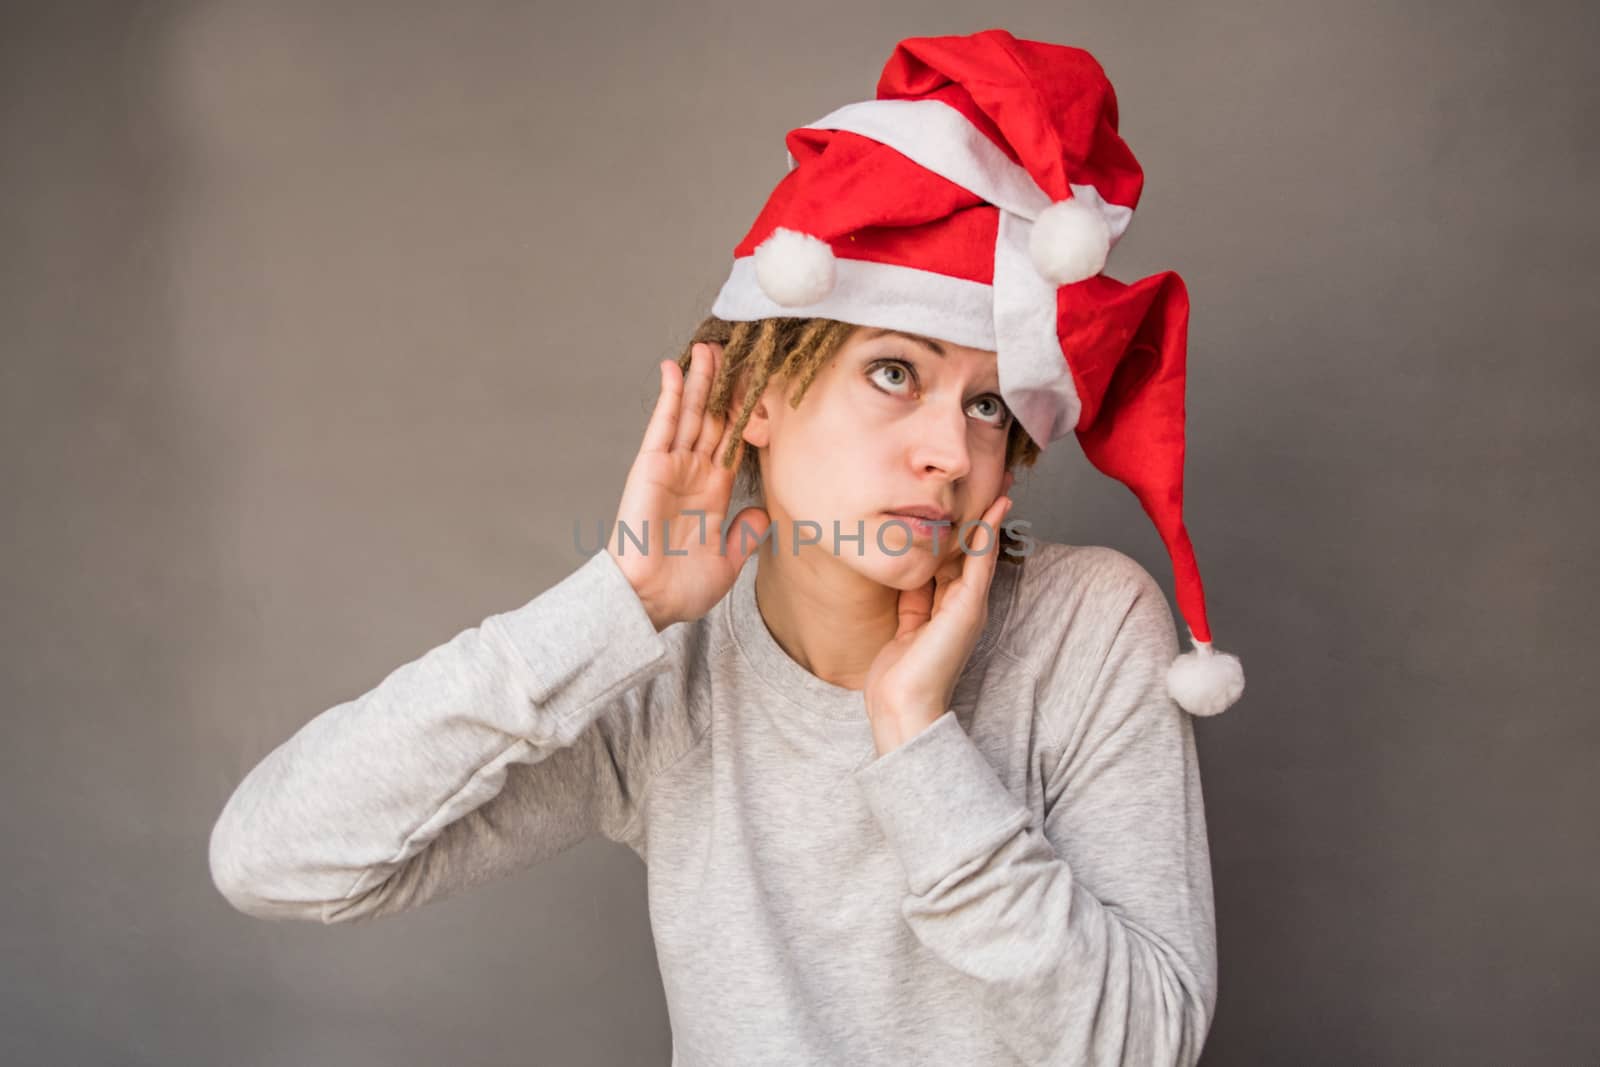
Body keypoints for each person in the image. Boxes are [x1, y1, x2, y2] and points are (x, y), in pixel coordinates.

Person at [209, 28, 1244, 1066]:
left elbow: (1141, 1045)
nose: (949, 450)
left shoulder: (1086, 624)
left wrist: (916, 740)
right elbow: (276, 858)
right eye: (893, 372)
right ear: (754, 391)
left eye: (986, 404)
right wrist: (615, 601)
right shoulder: (664, 674)